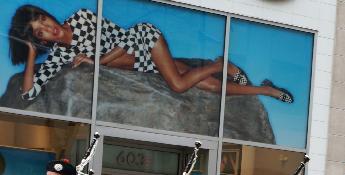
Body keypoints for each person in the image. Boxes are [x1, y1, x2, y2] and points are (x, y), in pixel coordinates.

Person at [9, 5, 293, 103]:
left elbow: (120, 40)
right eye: (40, 33)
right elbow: (28, 93)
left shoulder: (82, 17)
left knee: (179, 85)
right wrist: (33, 55)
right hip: (145, 65)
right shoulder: (58, 55)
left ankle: (222, 63)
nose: (49, 30)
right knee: (209, 86)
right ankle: (265, 91)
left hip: (143, 40)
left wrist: (97, 63)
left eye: (44, 21)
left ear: (48, 15)